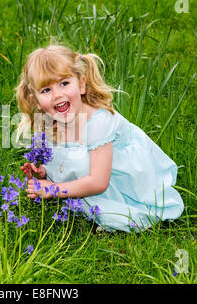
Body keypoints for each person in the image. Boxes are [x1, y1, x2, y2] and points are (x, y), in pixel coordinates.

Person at [16, 44, 184, 233]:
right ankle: (74, 193)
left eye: (64, 83)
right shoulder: (51, 121)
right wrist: (45, 172)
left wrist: (54, 189)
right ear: (35, 101)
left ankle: (118, 201)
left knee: (120, 211)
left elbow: (98, 182)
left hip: (123, 178)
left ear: (81, 84)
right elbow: (68, 157)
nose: (57, 95)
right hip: (95, 168)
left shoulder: (99, 122)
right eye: (46, 90)